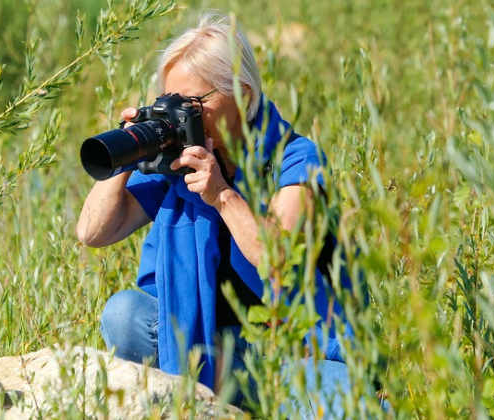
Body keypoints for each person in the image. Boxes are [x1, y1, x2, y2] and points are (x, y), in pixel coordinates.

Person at [77, 13, 361, 417]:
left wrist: (223, 195)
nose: (180, 117)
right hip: (207, 348)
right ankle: (205, 390)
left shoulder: (296, 158)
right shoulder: (179, 162)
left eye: (191, 104)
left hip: (290, 352)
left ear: (243, 97)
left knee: (345, 404)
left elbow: (279, 262)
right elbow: (92, 231)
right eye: (170, 103)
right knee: (125, 314)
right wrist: (129, 146)